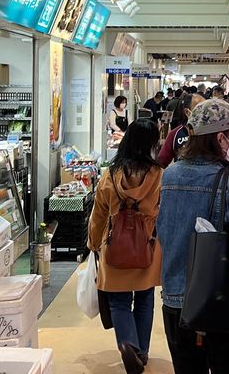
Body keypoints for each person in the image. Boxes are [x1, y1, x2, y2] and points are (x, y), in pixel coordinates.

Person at [157, 99, 229, 374]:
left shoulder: (170, 175)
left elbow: (163, 232)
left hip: (176, 301)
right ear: (221, 138)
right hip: (222, 305)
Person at [88, 119, 163, 374]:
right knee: (144, 299)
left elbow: (98, 214)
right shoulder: (159, 175)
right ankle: (141, 351)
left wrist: (93, 242)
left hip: (114, 247)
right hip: (147, 246)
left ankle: (128, 345)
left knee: (119, 303)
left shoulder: (110, 174)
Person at [158, 92, 205, 167]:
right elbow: (161, 162)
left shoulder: (213, 133)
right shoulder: (175, 134)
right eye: (200, 108)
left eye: (207, 108)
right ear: (187, 112)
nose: (205, 112)